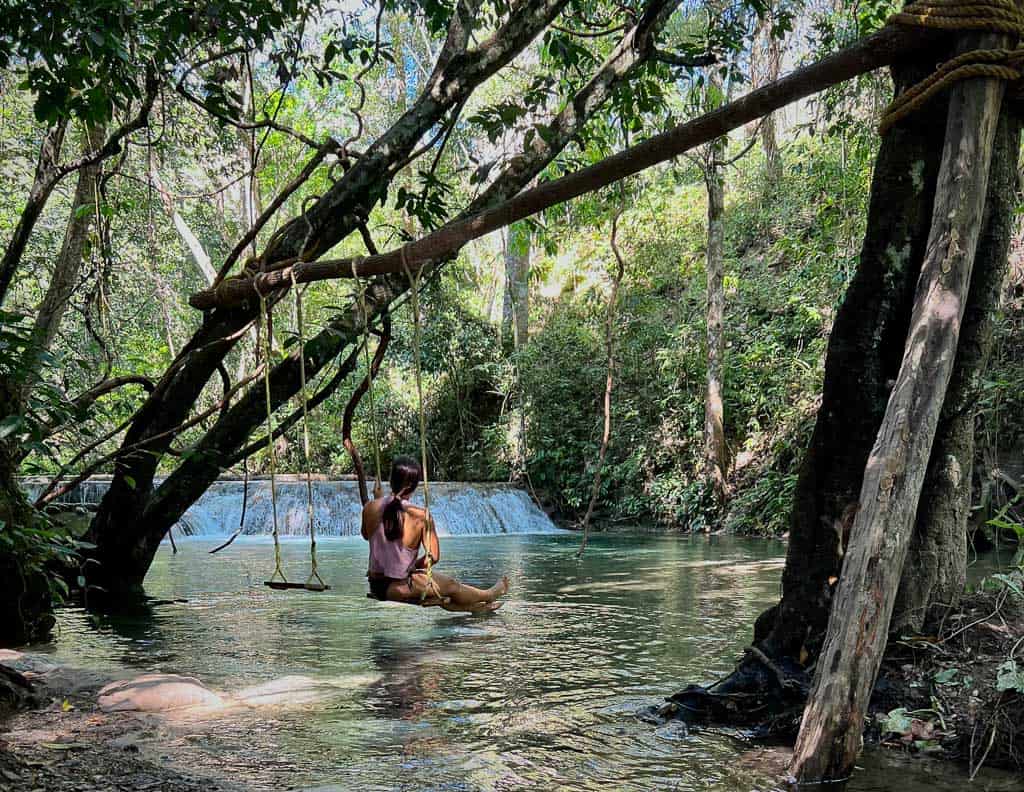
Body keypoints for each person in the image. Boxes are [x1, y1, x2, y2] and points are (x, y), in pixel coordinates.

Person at [362, 455, 509, 613]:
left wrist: (378, 499)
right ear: (414, 486)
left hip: (377, 586)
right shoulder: (420, 515)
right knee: (451, 585)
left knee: (441, 597)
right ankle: (489, 594)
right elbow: (433, 557)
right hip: (400, 587)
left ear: (391, 480)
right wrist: (413, 567)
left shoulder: (370, 507)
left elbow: (366, 535)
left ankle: (475, 608)